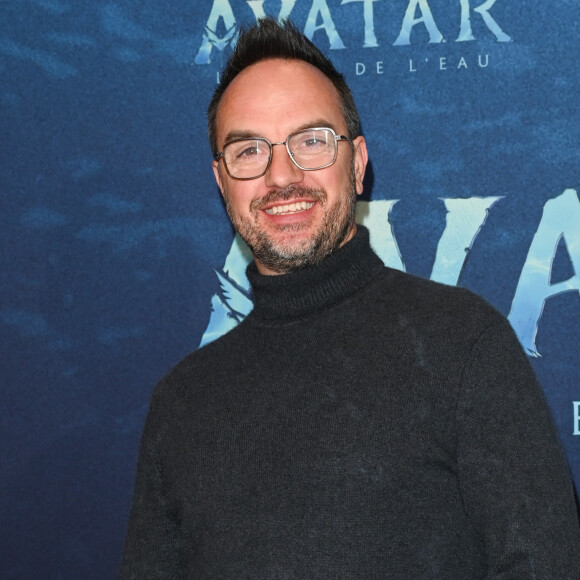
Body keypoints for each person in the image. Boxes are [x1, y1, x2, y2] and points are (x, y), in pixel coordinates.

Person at [120, 18, 580, 578]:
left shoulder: (464, 346)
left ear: (357, 163)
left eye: (311, 141)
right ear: (222, 182)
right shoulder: (180, 401)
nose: (281, 175)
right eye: (248, 151)